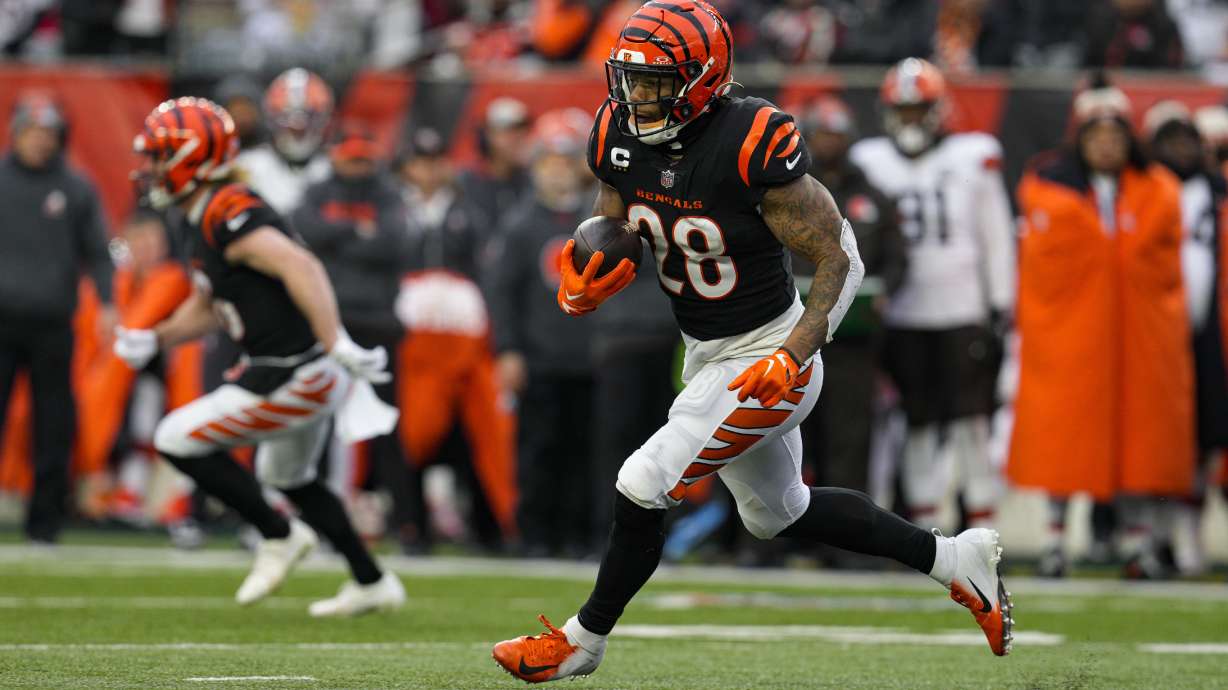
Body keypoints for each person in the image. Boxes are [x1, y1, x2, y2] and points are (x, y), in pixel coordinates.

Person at [491, 3, 1013, 682]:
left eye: (655, 83)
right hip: (708, 350)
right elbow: (614, 217)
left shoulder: (749, 139)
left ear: (703, 79)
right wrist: (589, 271)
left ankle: (581, 642)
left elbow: (841, 256)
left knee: (643, 482)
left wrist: (794, 351)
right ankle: (953, 559)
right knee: (779, 512)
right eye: (631, 81)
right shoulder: (618, 131)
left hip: (768, 350)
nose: (636, 98)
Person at [115, 97, 405, 616]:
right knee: (289, 477)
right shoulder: (201, 213)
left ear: (190, 157)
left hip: (300, 373)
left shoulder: (228, 209)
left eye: (160, 155)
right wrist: (155, 337)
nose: (150, 168)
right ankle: (371, 580)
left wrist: (336, 340)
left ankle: (279, 533)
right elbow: (210, 304)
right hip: (289, 368)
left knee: (175, 438)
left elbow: (302, 265)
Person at [1009, 81, 1194, 579]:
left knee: (1138, 446)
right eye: (1097, 134)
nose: (1106, 144)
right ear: (1081, 138)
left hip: (1138, 344)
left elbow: (1164, 272)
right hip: (1071, 341)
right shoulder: (1050, 190)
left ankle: (1139, 546)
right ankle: (1053, 544)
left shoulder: (1157, 190)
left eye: (1115, 134)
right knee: (1065, 444)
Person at [849, 58, 1015, 531]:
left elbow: (996, 235)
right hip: (902, 312)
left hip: (963, 309)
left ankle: (985, 528)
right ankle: (928, 531)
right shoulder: (871, 159)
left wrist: (1000, 302)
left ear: (938, 109)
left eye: (919, 109)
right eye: (902, 111)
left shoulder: (974, 154)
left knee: (971, 424)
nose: (911, 120)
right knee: (915, 423)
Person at [0, 92, 116, 544]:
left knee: (54, 423)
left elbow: (99, 254)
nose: (41, 142)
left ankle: (44, 523)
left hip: (53, 323)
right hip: (1, 321)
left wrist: (108, 303)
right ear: (16, 134)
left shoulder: (77, 187)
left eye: (49, 134)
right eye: (33, 132)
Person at [486, 108, 600, 558]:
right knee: (537, 449)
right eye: (550, 161)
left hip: (588, 353)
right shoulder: (520, 225)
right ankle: (534, 534)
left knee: (584, 451)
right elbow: (502, 292)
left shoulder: (600, 221)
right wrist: (508, 349)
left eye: (566, 160)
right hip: (540, 355)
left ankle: (576, 535)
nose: (558, 171)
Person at [292, 124, 412, 535]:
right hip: (328, 322)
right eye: (351, 157)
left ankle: (408, 522)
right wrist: (356, 233)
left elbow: (395, 242)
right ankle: (316, 517)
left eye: (364, 158)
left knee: (385, 425)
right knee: (316, 420)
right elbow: (302, 232)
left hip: (377, 322)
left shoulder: (388, 193)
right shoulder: (317, 191)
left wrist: (335, 240)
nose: (358, 167)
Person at [794, 95, 907, 510]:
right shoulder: (785, 194)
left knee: (850, 437)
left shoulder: (872, 197)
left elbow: (898, 258)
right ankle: (774, 541)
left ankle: (846, 541)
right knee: (787, 437)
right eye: (823, 134)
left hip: (853, 339)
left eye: (837, 135)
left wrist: (886, 291)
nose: (830, 143)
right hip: (793, 337)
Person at [1143, 101, 1228, 576]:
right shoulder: (1145, 190)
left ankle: (1189, 538)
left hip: (1209, 334)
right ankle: (1156, 541)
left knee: (1208, 440)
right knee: (1161, 443)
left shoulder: (1213, 193)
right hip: (1158, 334)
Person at [237, 68, 334, 215]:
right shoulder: (248, 168)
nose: (298, 127)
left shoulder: (335, 167)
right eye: (287, 117)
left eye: (308, 117)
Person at [457, 97, 533, 242]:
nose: (518, 138)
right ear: (488, 135)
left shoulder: (533, 181)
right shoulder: (466, 182)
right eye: (509, 132)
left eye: (522, 131)